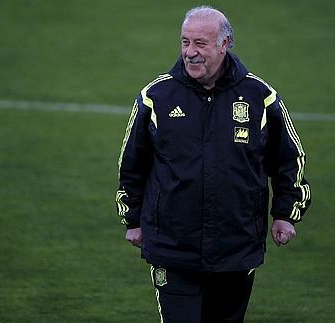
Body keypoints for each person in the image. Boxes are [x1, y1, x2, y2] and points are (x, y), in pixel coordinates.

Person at [115, 5, 311, 322]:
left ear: (225, 43)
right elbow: (132, 164)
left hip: (236, 247)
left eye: (200, 44)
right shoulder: (156, 97)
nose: (190, 53)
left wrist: (285, 214)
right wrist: (133, 219)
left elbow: (289, 159)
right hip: (173, 248)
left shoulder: (260, 97)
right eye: (185, 42)